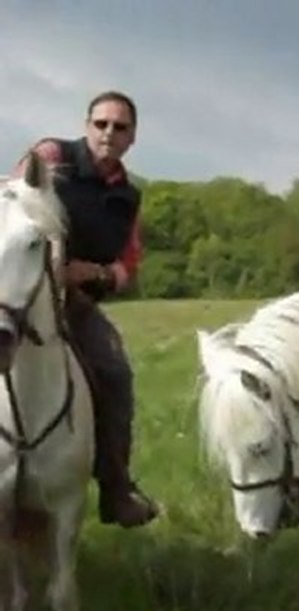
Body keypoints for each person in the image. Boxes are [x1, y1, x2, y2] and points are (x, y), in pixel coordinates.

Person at [12, 90, 159, 528]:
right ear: (87, 125)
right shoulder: (51, 156)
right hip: (20, 290)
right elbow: (19, 206)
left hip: (74, 304)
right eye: (101, 124)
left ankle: (116, 489)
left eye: (120, 127)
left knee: (114, 373)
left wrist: (87, 273)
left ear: (133, 138)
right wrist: (51, 260)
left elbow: (126, 269)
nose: (109, 134)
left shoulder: (128, 197)